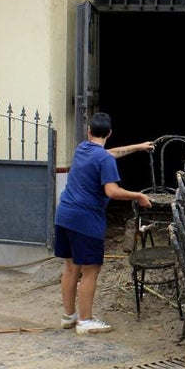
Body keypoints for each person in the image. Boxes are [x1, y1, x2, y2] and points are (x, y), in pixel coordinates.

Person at [56, 112, 153, 335]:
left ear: (89, 131)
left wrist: (137, 146)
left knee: (70, 267)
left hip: (64, 215)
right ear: (110, 133)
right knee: (91, 270)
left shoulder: (82, 149)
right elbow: (112, 191)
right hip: (85, 220)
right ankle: (86, 321)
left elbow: (109, 154)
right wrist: (138, 195)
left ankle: (69, 317)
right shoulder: (104, 159)